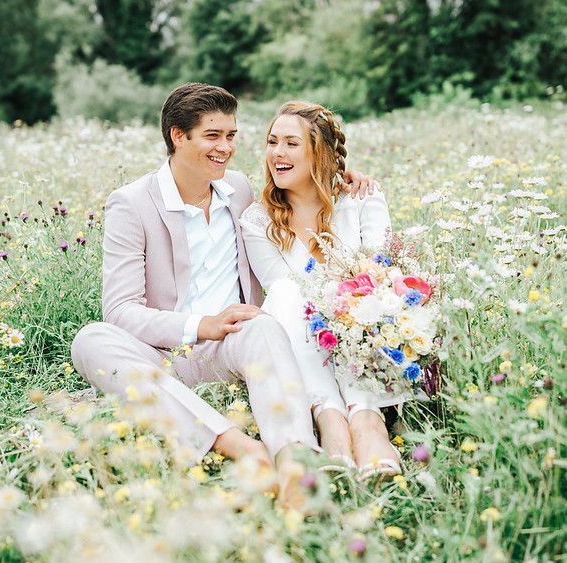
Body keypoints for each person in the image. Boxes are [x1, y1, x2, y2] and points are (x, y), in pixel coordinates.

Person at [71, 83, 376, 506]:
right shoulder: (132, 204)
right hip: (164, 352)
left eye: (231, 136)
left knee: (263, 323)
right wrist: (201, 325)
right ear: (179, 136)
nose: (226, 148)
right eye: (213, 136)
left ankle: (295, 457)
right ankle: (238, 446)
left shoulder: (239, 191)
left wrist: (346, 178)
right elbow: (121, 310)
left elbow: (305, 185)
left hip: (236, 345)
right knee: (91, 339)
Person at [240, 101, 406, 480]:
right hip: (302, 332)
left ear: (320, 151)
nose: (277, 153)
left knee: (364, 292)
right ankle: (329, 417)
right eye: (272, 142)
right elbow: (284, 292)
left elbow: (381, 276)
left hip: (365, 335)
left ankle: (367, 420)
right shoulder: (257, 220)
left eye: (291, 144)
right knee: (285, 296)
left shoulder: (361, 199)